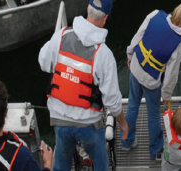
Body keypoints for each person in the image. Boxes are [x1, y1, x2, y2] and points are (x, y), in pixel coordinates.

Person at [37, 0, 128, 170]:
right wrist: (123, 123)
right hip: (89, 124)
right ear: (105, 18)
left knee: (61, 164)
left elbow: (43, 62)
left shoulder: (61, 35)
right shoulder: (104, 54)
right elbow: (111, 100)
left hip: (60, 119)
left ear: (87, 9)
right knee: (101, 164)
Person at [120, 0, 181, 160]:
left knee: (133, 105)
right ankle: (155, 149)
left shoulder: (154, 15)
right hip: (151, 81)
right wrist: (166, 95)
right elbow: (171, 75)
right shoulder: (176, 44)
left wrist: (129, 55)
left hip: (136, 68)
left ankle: (127, 141)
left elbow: (137, 37)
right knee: (154, 115)